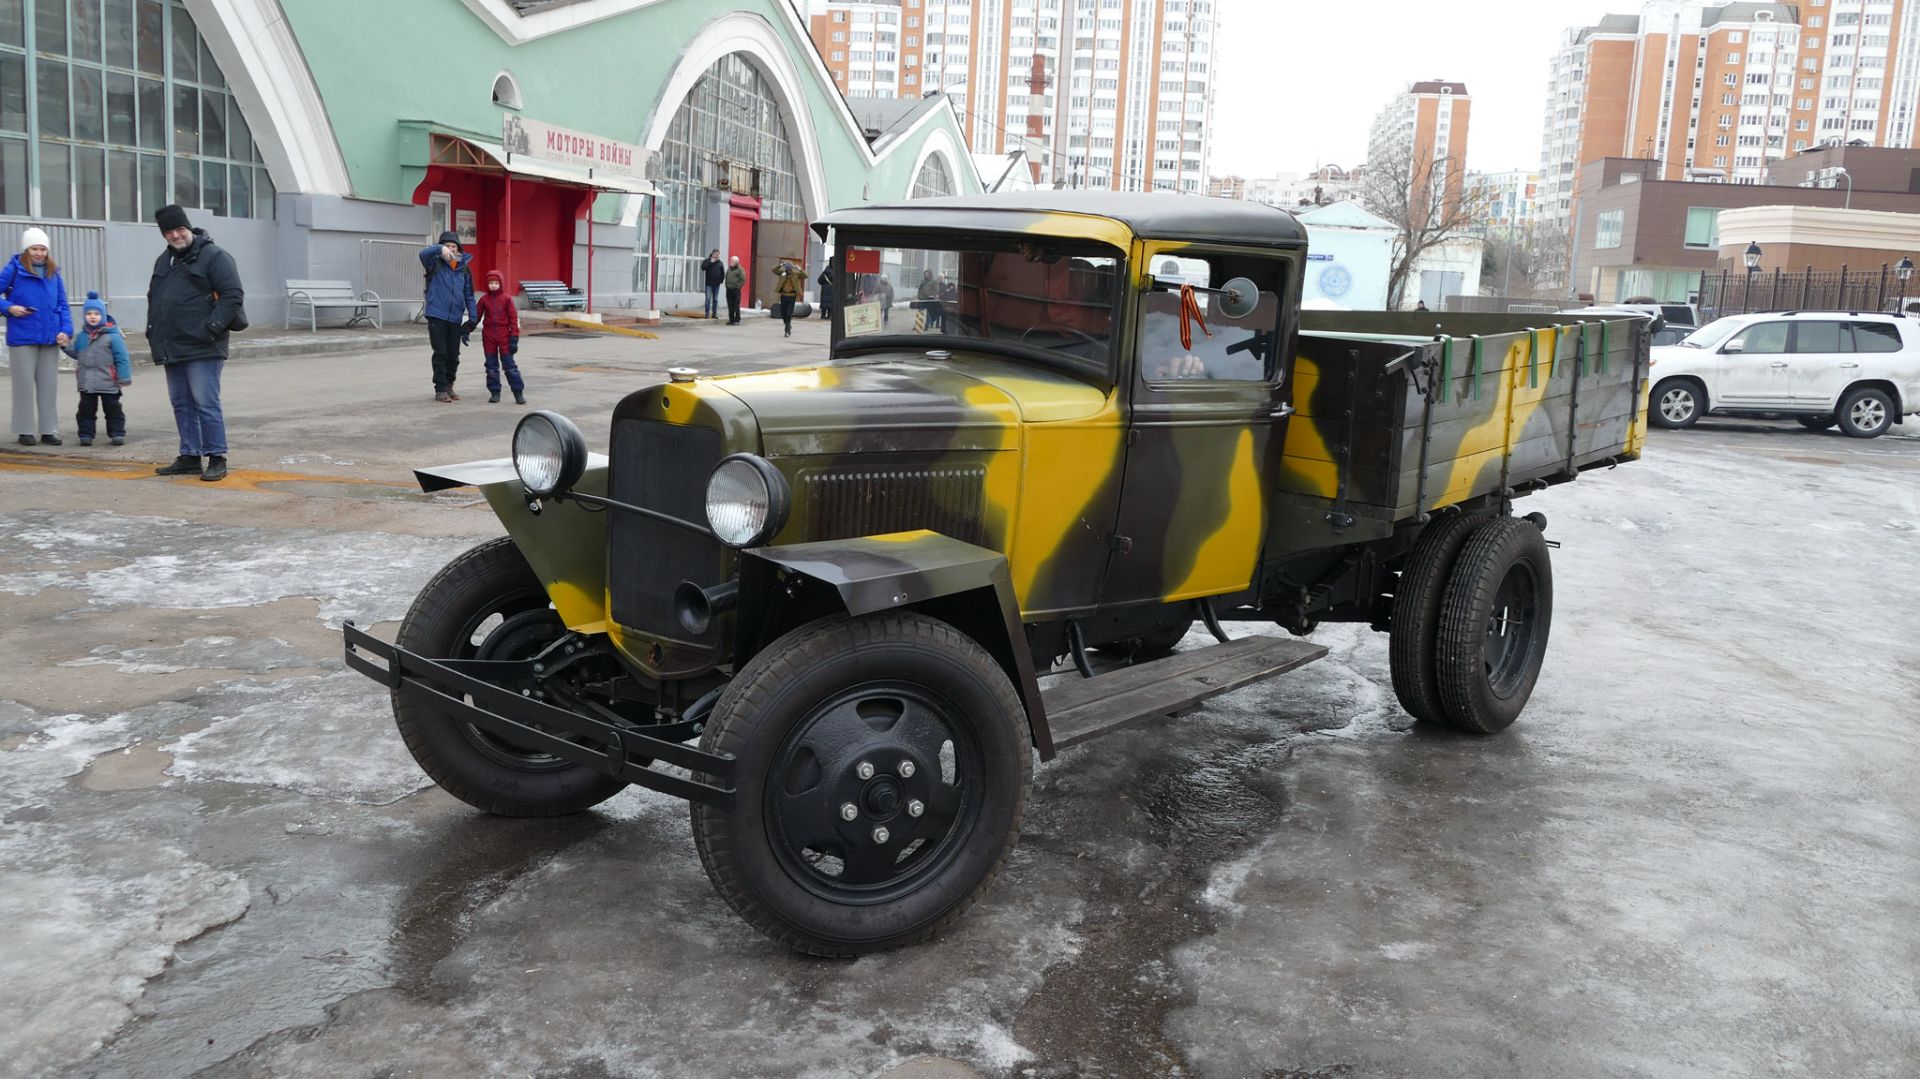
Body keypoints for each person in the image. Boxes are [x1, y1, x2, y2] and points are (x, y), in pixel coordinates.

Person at [147, 205, 242, 482]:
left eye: (180, 229)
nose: (176, 235)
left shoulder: (215, 256)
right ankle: (190, 455)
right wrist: (153, 332)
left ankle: (216, 456)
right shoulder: (164, 261)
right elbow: (156, 298)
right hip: (173, 344)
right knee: (181, 403)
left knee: (205, 403)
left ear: (189, 228)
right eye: (169, 232)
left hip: (203, 345)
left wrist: (211, 329)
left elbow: (232, 295)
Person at [4, 227, 73, 446]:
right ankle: (24, 430)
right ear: (26, 249)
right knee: (23, 386)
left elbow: (63, 304)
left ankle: (49, 430)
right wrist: (9, 307)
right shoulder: (14, 269)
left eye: (43, 249)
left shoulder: (54, 273)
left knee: (48, 386)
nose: (39, 253)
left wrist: (66, 330)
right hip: (22, 337)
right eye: (34, 248)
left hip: (49, 337)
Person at [64, 291, 131, 446]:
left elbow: (122, 358)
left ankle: (117, 433)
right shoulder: (82, 336)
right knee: (85, 410)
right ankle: (86, 434)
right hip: (87, 383)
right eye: (89, 314)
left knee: (113, 409)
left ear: (103, 315)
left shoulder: (113, 336)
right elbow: (77, 354)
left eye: (96, 314)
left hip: (109, 381)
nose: (92, 317)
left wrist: (124, 377)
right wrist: (65, 346)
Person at [418, 230, 477, 402]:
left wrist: (473, 317)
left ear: (459, 249)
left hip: (455, 317)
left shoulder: (464, 268)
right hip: (437, 314)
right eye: (447, 246)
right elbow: (422, 254)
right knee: (441, 353)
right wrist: (439, 249)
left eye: (454, 246)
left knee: (453, 355)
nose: (451, 249)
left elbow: (469, 294)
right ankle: (440, 388)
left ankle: (449, 384)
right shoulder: (434, 262)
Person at [476, 270, 524, 404]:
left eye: (496, 283)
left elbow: (513, 319)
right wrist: (466, 329)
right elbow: (476, 316)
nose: (493, 285)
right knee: (491, 366)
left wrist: (514, 337)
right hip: (489, 336)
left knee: (510, 366)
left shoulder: (507, 299)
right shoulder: (484, 300)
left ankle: (518, 392)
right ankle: (495, 392)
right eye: (491, 283)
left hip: (505, 336)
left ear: (500, 284)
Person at [775, 260, 803, 337]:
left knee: (789, 313)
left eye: (790, 269)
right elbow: (774, 270)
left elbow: (805, 275)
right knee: (783, 313)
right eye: (787, 269)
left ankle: (787, 330)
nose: (789, 271)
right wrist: (780, 265)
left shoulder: (796, 273)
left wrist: (799, 269)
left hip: (792, 296)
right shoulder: (782, 273)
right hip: (784, 295)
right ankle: (787, 324)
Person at [700, 249, 724, 319]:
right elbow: (703, 267)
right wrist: (710, 262)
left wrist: (721, 280)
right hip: (709, 284)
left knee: (715, 299)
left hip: (716, 285)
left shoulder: (720, 263)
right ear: (712, 254)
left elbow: (722, 273)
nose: (716, 256)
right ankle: (707, 313)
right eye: (715, 254)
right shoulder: (707, 260)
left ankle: (714, 314)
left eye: (718, 255)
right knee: (708, 299)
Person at [724, 256, 746, 325]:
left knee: (736, 305)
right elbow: (726, 277)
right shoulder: (729, 269)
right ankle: (731, 320)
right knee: (730, 305)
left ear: (736, 262)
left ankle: (737, 319)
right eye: (731, 260)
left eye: (732, 261)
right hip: (729, 290)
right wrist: (726, 285)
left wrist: (738, 287)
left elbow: (743, 279)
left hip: (735, 290)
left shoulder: (740, 269)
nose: (731, 262)